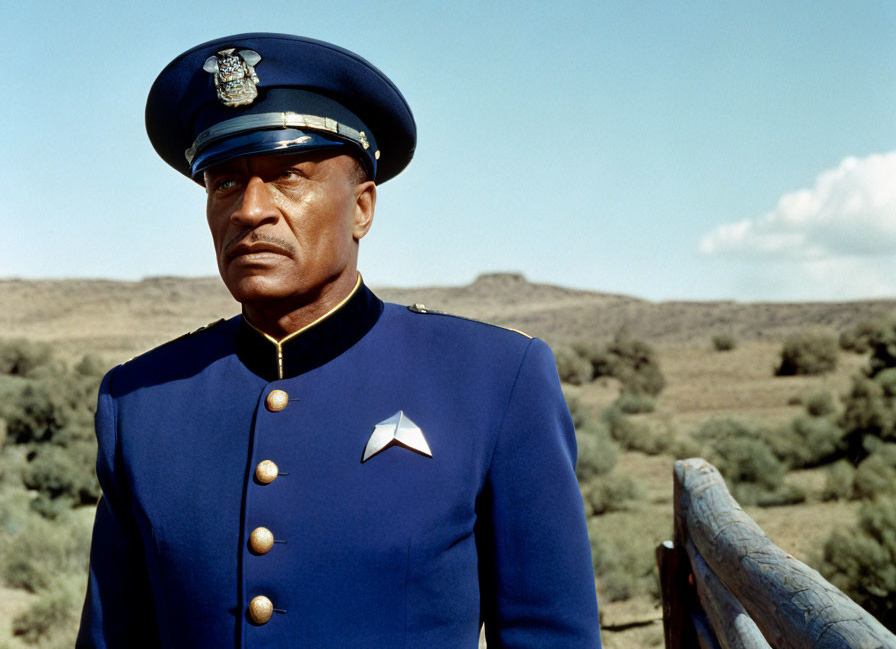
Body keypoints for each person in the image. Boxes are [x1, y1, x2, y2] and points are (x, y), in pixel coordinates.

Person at [78, 33, 602, 648]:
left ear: (362, 208)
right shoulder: (141, 402)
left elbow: (551, 635)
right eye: (224, 183)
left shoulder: (494, 380)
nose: (250, 210)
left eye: (287, 176)